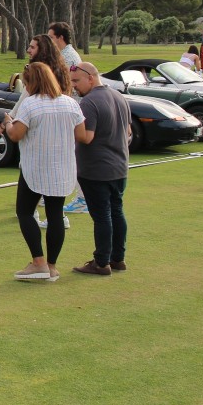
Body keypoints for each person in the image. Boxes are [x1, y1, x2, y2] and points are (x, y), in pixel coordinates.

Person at [4, 62, 87, 282]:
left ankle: (38, 262)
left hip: (36, 166)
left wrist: (8, 123)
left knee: (24, 212)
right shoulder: (70, 103)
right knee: (55, 214)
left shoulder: (30, 104)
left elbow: (16, 135)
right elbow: (81, 134)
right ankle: (51, 266)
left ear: (31, 83)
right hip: (62, 166)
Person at [1, 34, 73, 229]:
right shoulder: (59, 70)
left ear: (43, 50)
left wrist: (8, 121)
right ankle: (56, 216)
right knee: (50, 181)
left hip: (39, 132)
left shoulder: (39, 73)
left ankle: (35, 215)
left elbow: (23, 102)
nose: (28, 50)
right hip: (54, 133)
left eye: (32, 47)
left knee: (32, 174)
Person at [69, 62, 130, 275]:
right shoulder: (119, 96)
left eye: (76, 81)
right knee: (116, 212)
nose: (74, 86)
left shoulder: (89, 102)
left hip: (97, 169)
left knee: (102, 216)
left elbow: (87, 137)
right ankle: (117, 259)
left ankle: (101, 262)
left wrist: (68, 127)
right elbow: (128, 131)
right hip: (119, 166)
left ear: (91, 78)